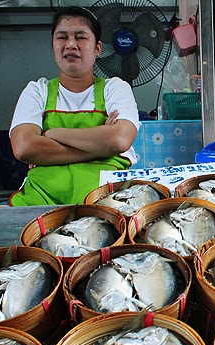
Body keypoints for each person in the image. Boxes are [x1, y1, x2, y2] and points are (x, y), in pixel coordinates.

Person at [8, 6, 140, 206]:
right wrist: (102, 146)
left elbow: (120, 139)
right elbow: (24, 147)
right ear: (53, 46)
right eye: (62, 37)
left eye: (80, 37)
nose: (71, 44)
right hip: (39, 202)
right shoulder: (37, 91)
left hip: (103, 204)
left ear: (97, 48)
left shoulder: (115, 88)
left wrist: (53, 134)